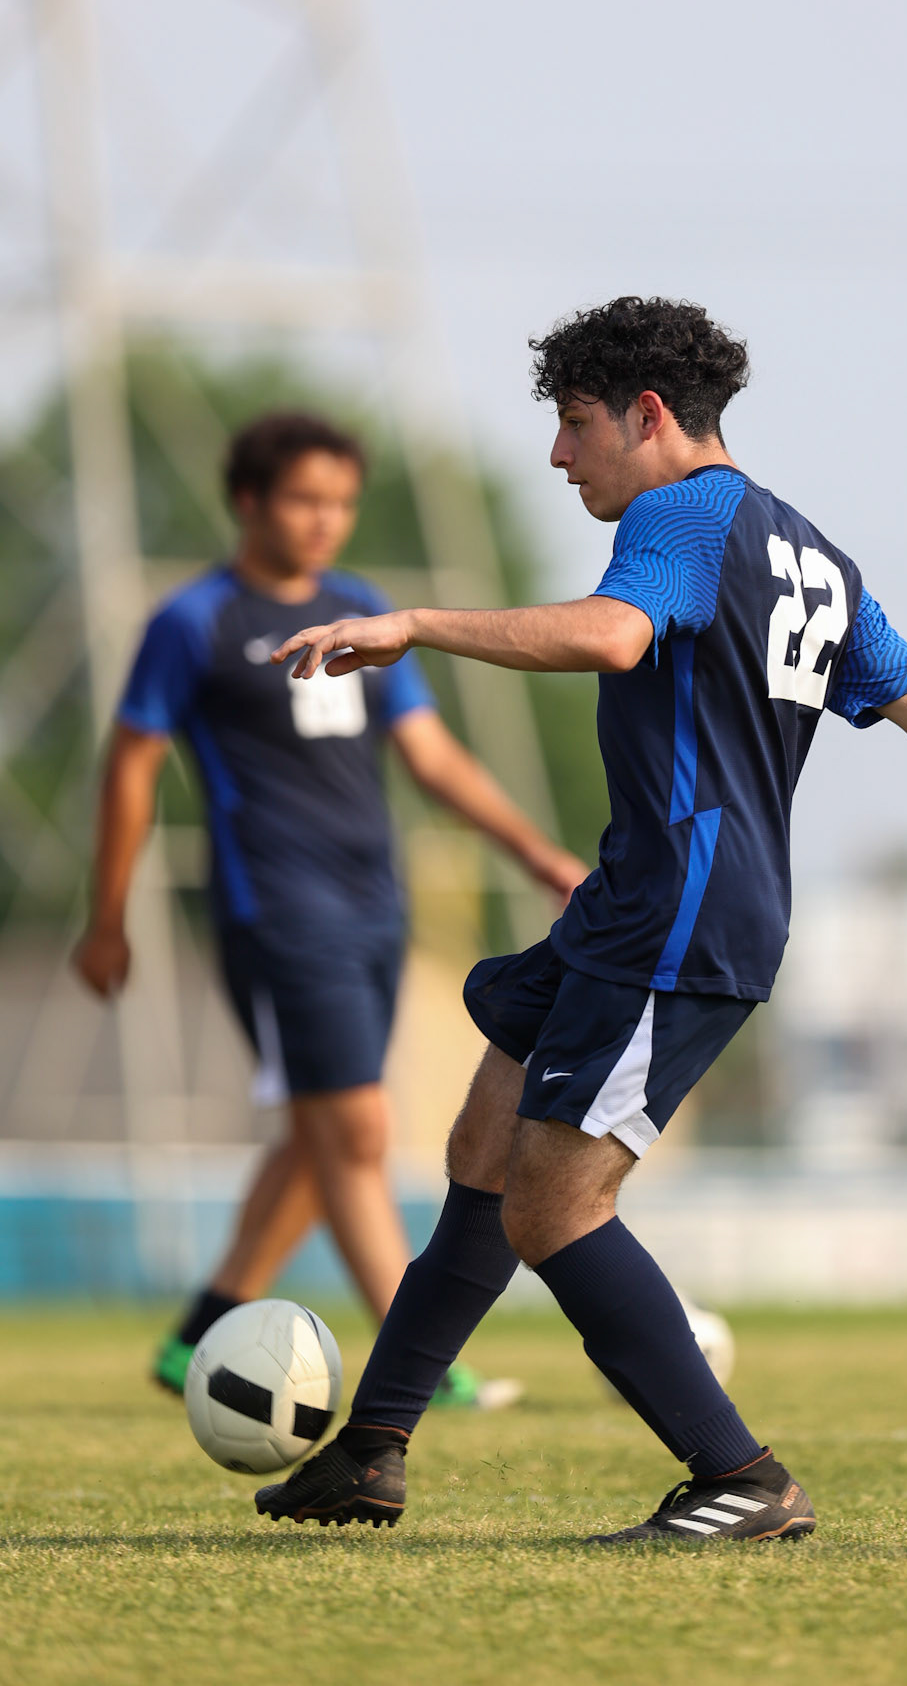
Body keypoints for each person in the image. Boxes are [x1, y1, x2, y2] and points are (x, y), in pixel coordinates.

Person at [254, 298, 907, 1544]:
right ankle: (374, 1447)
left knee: (552, 1205)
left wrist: (413, 623)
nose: (561, 456)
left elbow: (614, 634)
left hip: (678, 912)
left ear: (649, 415)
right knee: (484, 1140)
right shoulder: (811, 552)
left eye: (573, 425)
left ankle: (741, 1475)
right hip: (635, 898)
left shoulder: (683, 512)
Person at [73, 410, 586, 1409]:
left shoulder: (362, 606)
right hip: (276, 908)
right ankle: (420, 1361)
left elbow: (431, 754)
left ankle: (196, 1336)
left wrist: (533, 850)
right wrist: (107, 917)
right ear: (251, 501)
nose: (326, 520)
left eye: (342, 501)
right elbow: (130, 767)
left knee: (322, 1129)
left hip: (372, 907)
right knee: (353, 1126)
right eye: (306, 498)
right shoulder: (194, 622)